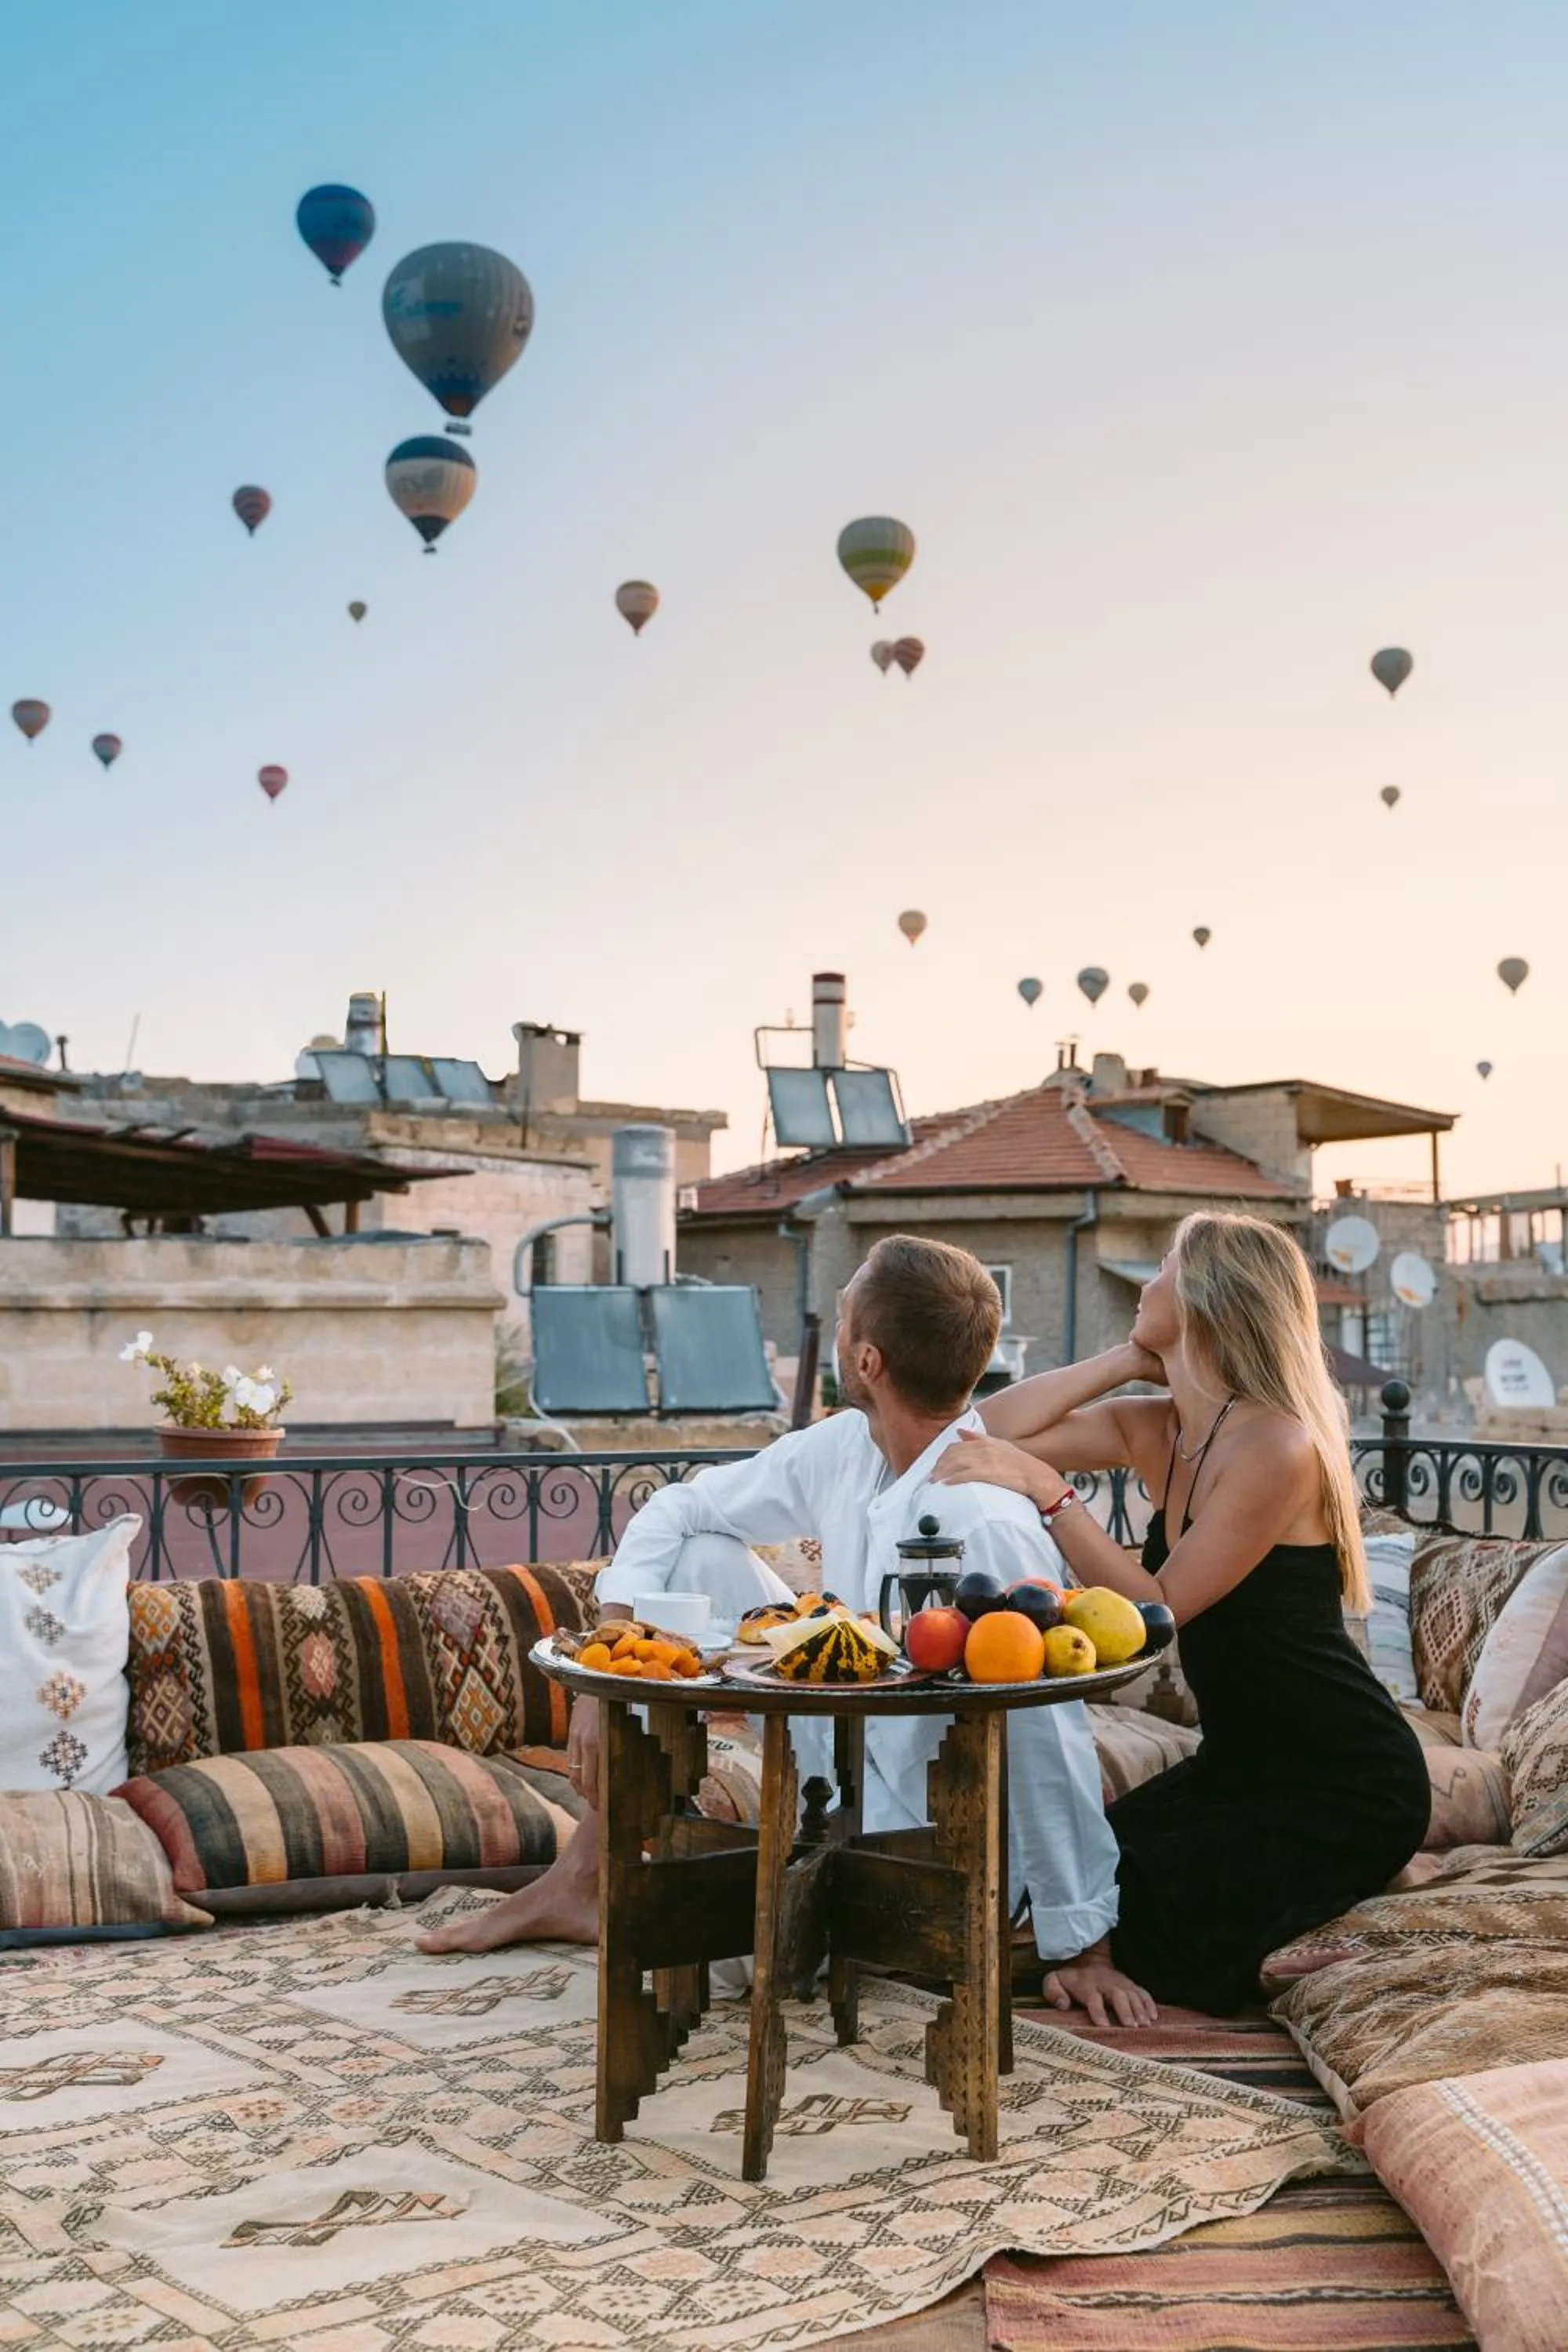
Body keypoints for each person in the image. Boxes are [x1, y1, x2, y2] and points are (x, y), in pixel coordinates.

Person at [422, 1235, 1148, 2023]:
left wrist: (1084, 1944)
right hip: (828, 1771)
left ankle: (763, 1906)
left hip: (927, 1842)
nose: (832, 1326)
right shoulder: (848, 1445)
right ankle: (581, 1877)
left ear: (866, 1361)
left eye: (840, 1314)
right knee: (697, 1554)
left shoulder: (984, 1516)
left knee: (694, 1960)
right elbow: (682, 1505)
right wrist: (610, 1659)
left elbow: (1047, 1737)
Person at [930, 1209, 1431, 2016]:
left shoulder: (1277, 1446)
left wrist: (1048, 1493)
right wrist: (1126, 1358)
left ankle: (1365, 1863)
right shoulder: (1159, 1426)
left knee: (1151, 1924)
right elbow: (980, 1427)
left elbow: (1155, 1609)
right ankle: (1347, 1877)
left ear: (1205, 1296)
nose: (1146, 1282)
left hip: (1343, 1779)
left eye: (1162, 1267)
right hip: (1236, 1769)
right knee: (1084, 1879)